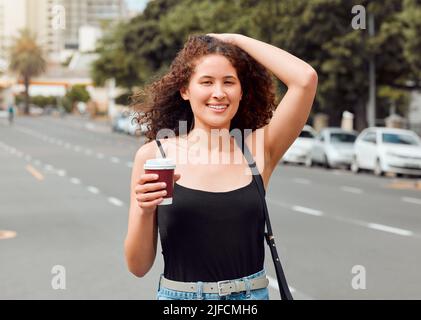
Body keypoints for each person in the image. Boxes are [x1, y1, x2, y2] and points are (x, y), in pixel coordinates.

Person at [125, 34, 317, 300]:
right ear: (185, 90)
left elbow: (305, 79)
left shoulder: (258, 149)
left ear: (241, 91)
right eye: (206, 82)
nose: (219, 93)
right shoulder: (154, 156)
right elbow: (138, 266)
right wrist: (145, 212)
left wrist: (235, 40)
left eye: (229, 82)